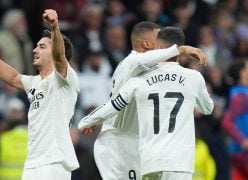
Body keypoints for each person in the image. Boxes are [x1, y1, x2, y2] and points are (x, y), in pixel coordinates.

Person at [79, 27, 214, 180]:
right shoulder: (193, 77)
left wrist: (87, 120)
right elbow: (208, 108)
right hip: (175, 160)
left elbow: (113, 105)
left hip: (149, 160)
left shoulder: (139, 80)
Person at [0, 9, 79, 180]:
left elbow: (59, 57)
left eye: (42, 47)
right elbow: (12, 77)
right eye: (36, 46)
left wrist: (54, 28)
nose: (35, 50)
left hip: (54, 162)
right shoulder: (35, 82)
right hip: (32, 162)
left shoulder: (65, 79)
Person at [222, 60, 248, 180]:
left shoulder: (238, 92)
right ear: (242, 73)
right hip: (243, 155)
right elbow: (227, 122)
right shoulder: (241, 95)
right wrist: (243, 140)